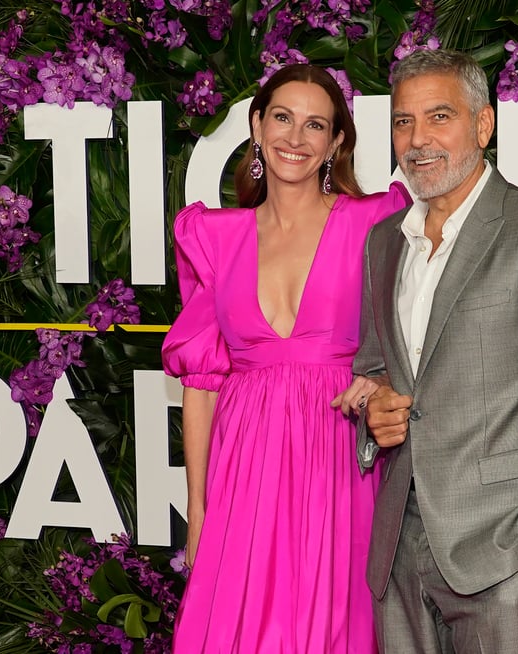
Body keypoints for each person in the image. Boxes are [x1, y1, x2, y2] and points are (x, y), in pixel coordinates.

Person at [352, 49, 518, 653]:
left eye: (439, 117)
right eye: (403, 121)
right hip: (401, 548)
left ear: (484, 124)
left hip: (504, 551)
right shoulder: (386, 241)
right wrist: (372, 410)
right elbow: (372, 368)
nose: (417, 140)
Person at [162, 64, 410, 653]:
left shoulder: (374, 221)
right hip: (244, 466)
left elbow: (412, 338)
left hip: (339, 460)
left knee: (332, 627)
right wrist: (198, 514)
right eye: (282, 117)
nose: (295, 138)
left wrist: (378, 382)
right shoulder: (212, 236)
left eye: (315, 125)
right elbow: (201, 383)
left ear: (336, 142)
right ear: (256, 125)